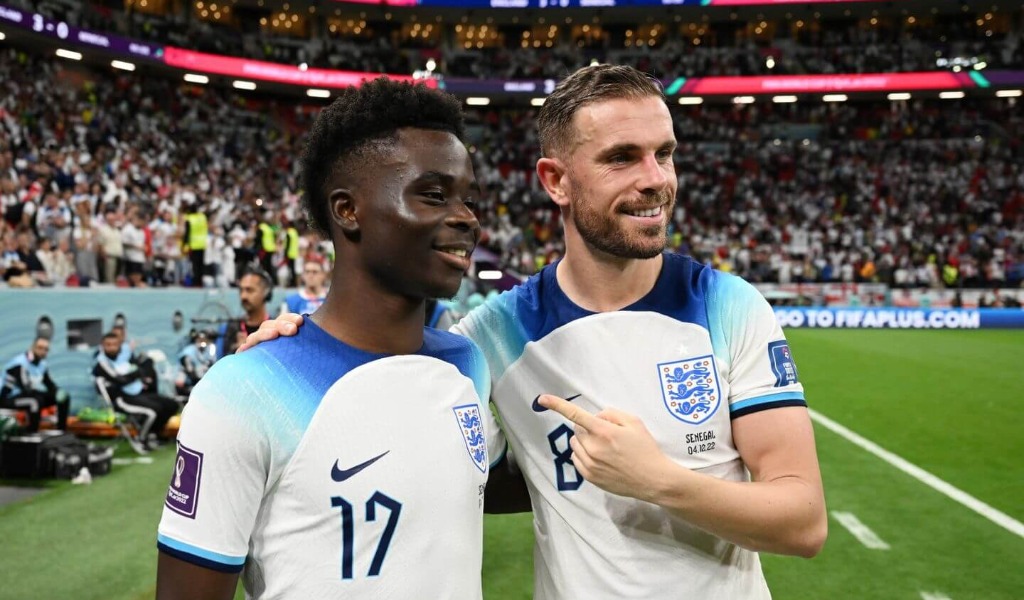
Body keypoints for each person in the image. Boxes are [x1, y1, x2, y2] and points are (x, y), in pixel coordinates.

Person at [248, 64, 827, 599]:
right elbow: (375, 385)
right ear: (556, 181)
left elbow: (803, 522)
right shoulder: (492, 337)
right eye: (622, 158)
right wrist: (293, 345)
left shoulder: (727, 305)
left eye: (664, 154)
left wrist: (659, 481)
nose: (655, 179)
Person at [156, 78, 509, 600]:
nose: (467, 218)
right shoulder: (244, 391)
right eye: (435, 195)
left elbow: (498, 482)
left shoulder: (465, 364)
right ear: (347, 210)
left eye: (468, 199)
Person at [92, 331, 178, 451]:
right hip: (121, 399)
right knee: (153, 411)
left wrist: (136, 373)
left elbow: (142, 369)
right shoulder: (102, 364)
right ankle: (141, 439)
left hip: (136, 394)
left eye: (114, 344)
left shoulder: (124, 358)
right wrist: (136, 373)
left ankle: (154, 434)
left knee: (171, 404)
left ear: (119, 345)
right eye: (108, 345)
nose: (111, 347)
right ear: (102, 346)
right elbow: (121, 380)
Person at [1, 336, 70, 432]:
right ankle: (32, 432)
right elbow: (26, 388)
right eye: (40, 348)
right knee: (35, 401)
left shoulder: (42, 365)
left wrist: (58, 392)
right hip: (8, 398)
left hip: (27, 395)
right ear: (32, 347)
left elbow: (50, 385)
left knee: (63, 397)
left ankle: (61, 430)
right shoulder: (20, 363)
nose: (43, 351)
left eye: (46, 349)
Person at [216, 267, 274, 358]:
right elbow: (219, 362)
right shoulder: (229, 328)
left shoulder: (274, 329)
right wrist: (236, 351)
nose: (243, 296)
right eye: (241, 290)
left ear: (266, 293)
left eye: (249, 290)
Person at [174, 330, 216, 399]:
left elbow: (212, 364)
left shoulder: (209, 350)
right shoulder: (188, 352)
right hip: (187, 385)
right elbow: (191, 372)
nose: (203, 342)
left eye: (205, 339)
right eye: (200, 339)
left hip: (201, 383)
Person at [182, 202, 207, 288]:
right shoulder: (203, 217)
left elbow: (187, 233)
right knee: (201, 264)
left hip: (193, 244)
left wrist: (184, 244)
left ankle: (196, 282)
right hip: (203, 243)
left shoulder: (189, 219)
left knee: (195, 265)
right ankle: (200, 281)